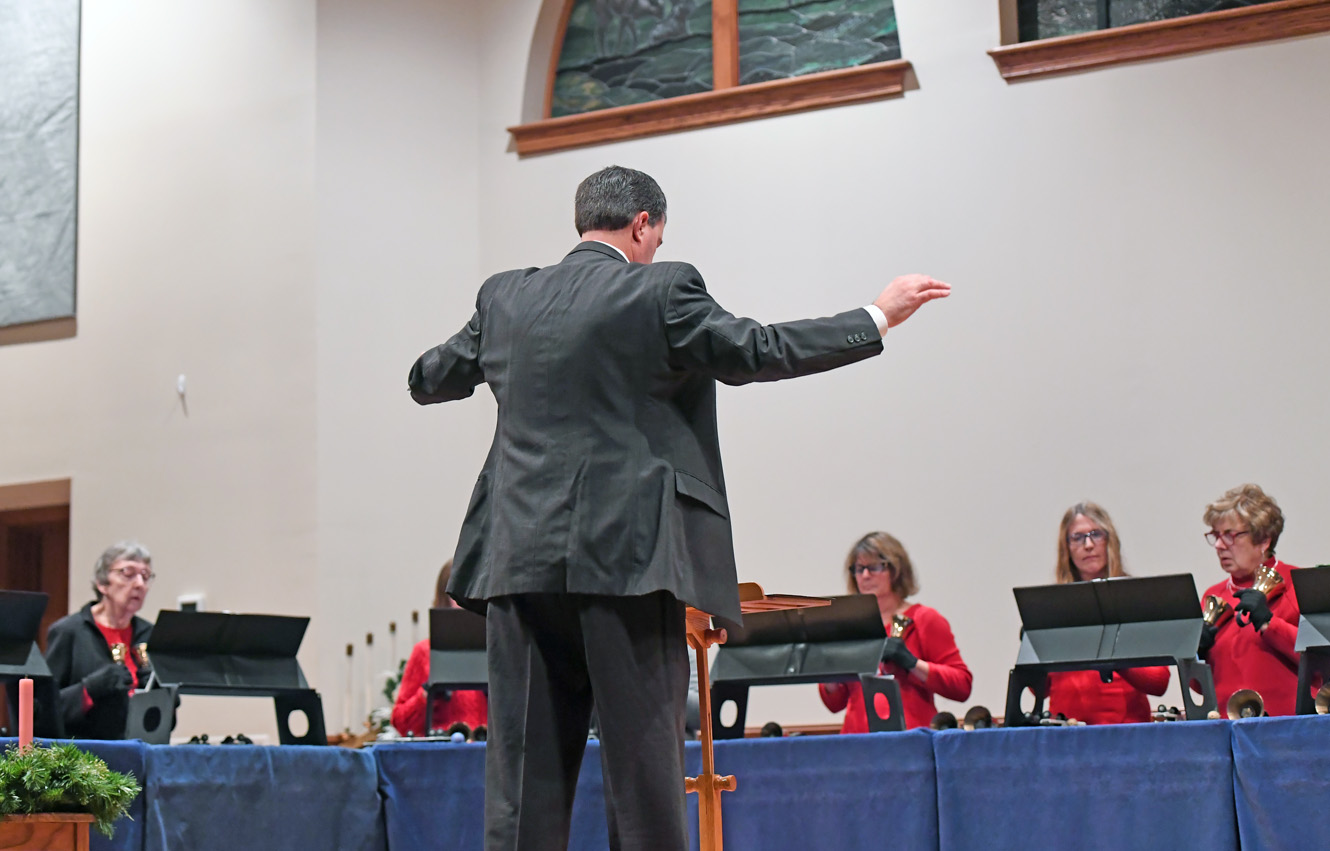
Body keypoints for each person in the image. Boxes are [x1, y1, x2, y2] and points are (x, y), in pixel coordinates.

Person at [408, 165, 950, 851]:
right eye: (656, 238)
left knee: (522, 790)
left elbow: (429, 377)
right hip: (628, 562)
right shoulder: (662, 289)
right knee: (642, 783)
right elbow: (758, 349)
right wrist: (875, 316)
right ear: (643, 225)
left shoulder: (506, 297)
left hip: (516, 566)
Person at [818, 532, 972, 731]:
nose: (865, 576)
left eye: (874, 567)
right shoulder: (848, 626)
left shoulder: (923, 619)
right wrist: (826, 671)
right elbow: (835, 704)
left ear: (896, 570)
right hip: (857, 744)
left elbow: (962, 686)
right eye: (859, 569)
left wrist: (913, 663)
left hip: (911, 741)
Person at [1045, 502, 1169, 724]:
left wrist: (1111, 655)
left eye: (1096, 535)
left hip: (1126, 733)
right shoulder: (1053, 605)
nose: (1089, 545)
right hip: (1064, 734)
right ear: (1066, 548)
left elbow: (1159, 682)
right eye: (1077, 538)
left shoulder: (1135, 597)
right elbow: (1041, 690)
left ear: (1110, 541)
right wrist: (1033, 648)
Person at [1197, 484, 1302, 716]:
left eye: (1230, 535)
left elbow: (1320, 663)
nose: (1219, 545)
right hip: (1227, 732)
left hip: (1287, 730)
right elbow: (1200, 688)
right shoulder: (1213, 597)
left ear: (1263, 539)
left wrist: (1269, 623)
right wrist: (1196, 655)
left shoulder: (1297, 586)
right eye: (1215, 535)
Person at [45, 541, 155, 740]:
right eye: (128, 573)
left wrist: (163, 697)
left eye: (145, 576)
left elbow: (167, 720)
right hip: (85, 758)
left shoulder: (149, 634)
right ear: (102, 583)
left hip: (142, 753)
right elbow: (44, 710)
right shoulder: (69, 632)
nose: (139, 584)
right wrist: (89, 689)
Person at [391, 560, 488, 737]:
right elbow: (401, 722)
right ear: (445, 598)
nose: (469, 602)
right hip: (443, 754)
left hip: (488, 754)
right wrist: (426, 695)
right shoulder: (424, 652)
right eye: (459, 595)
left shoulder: (497, 650)